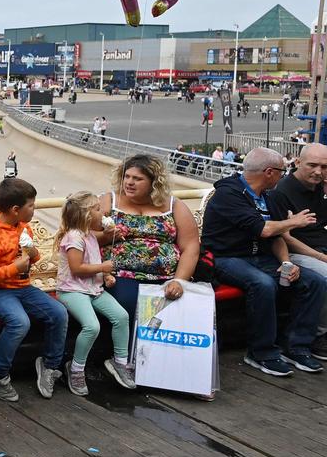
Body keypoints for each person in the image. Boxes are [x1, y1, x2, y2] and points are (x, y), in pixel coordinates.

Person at [203, 147, 325, 375]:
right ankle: (261, 352)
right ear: (270, 172)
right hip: (227, 257)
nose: (284, 175)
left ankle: (296, 347)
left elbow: (277, 237)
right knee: (262, 284)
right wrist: (293, 222)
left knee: (314, 281)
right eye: (282, 171)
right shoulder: (229, 194)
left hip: (262, 257)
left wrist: (286, 263)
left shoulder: (269, 196)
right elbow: (265, 229)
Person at [0, 178, 68, 401]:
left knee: (58, 313)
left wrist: (32, 253)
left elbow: (31, 260)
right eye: (31, 206)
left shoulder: (24, 228)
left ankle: (49, 365)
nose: (35, 210)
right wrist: (13, 267)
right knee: (19, 322)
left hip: (21, 287)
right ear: (16, 210)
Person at [98, 155, 200, 324]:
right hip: (121, 275)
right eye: (127, 177)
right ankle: (133, 350)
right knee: (133, 307)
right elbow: (85, 238)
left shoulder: (174, 205)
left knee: (175, 310)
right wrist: (106, 235)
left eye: (138, 179)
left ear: (154, 182)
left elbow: (190, 247)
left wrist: (179, 281)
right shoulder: (109, 201)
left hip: (166, 277)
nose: (129, 182)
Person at [54, 192, 133, 395]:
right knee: (92, 326)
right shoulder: (74, 237)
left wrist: (105, 277)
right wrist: (104, 267)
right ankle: (76, 368)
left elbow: (94, 259)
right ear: (86, 215)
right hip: (72, 290)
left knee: (121, 316)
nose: (103, 212)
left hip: (93, 289)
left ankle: (120, 362)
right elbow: (77, 268)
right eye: (97, 209)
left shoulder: (89, 235)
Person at [265, 143, 327, 362]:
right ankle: (320, 337)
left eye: (324, 167)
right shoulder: (281, 191)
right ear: (298, 163)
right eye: (313, 165)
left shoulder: (319, 187)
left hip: (318, 246)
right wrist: (321, 257)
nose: (318, 172)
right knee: (325, 275)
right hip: (294, 251)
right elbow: (285, 239)